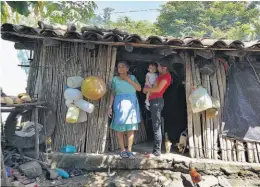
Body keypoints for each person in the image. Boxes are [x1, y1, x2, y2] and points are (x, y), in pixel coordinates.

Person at [108, 61, 141, 159]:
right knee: (119, 128)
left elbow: (139, 88)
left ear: (127, 68)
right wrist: (110, 106)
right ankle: (122, 150)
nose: (121, 68)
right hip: (120, 104)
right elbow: (112, 93)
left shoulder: (133, 78)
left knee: (131, 129)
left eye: (123, 67)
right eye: (119, 67)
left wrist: (128, 80)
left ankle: (129, 150)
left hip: (131, 105)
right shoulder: (115, 79)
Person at [143, 56, 172, 157]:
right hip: (153, 101)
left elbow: (158, 89)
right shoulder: (160, 75)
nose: (157, 68)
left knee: (156, 126)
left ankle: (157, 151)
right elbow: (153, 86)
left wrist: (147, 90)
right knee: (156, 125)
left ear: (164, 68)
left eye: (159, 66)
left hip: (157, 101)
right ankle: (156, 150)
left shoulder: (166, 77)